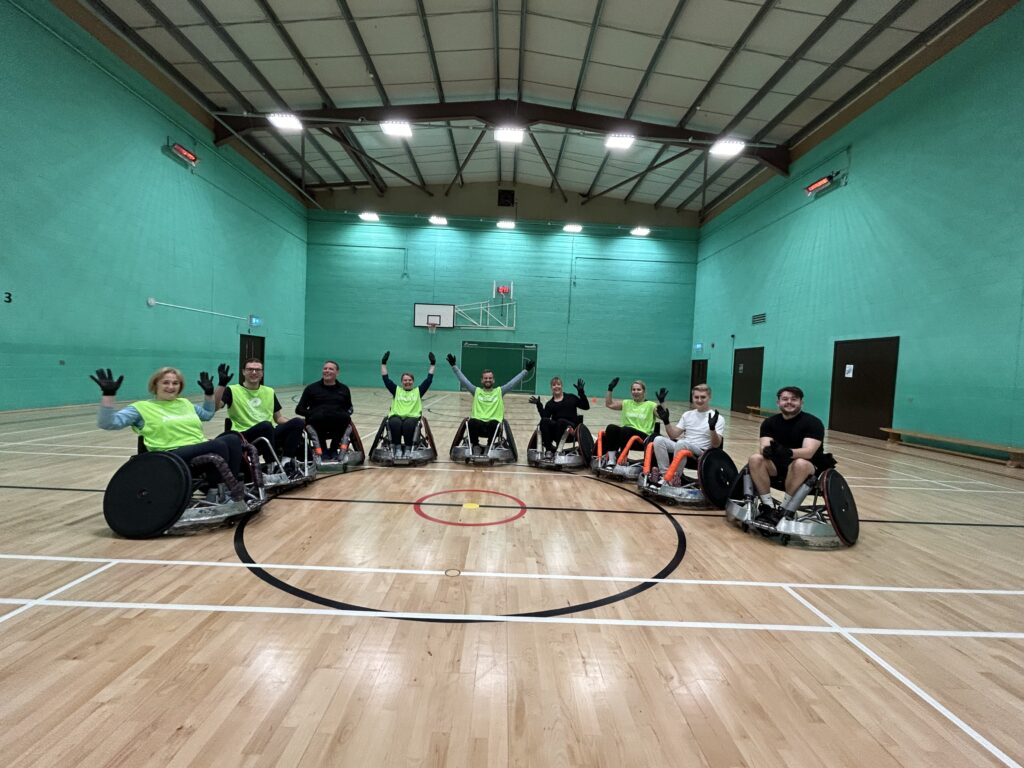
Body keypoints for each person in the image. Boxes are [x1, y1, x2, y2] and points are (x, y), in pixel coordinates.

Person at [93, 366, 243, 480]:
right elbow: (108, 423)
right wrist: (108, 395)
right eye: (165, 382)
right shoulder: (141, 408)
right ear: (155, 385)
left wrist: (209, 394)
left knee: (233, 438)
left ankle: (231, 484)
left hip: (195, 448)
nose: (171, 387)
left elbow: (208, 414)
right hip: (168, 455)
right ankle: (217, 490)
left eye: (175, 383)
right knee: (217, 445)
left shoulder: (185, 403)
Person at [747, 385, 830, 525]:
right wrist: (767, 450)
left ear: (801, 402)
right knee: (755, 459)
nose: (789, 402)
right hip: (778, 467)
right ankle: (768, 507)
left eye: (794, 399)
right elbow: (765, 445)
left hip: (807, 469)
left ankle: (784, 509)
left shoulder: (813, 423)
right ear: (778, 402)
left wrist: (787, 452)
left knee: (800, 463)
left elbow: (809, 452)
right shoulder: (769, 423)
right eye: (785, 399)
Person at [213, 359, 306, 468]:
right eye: (250, 369)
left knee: (297, 422)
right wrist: (221, 385)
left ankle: (286, 461)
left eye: (257, 370)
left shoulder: (269, 391)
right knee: (265, 425)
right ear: (243, 372)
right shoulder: (232, 390)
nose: (254, 372)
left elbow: (279, 418)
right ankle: (273, 465)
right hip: (245, 435)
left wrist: (299, 424)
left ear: (262, 373)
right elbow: (215, 406)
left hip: (269, 432)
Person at [447, 353, 534, 454]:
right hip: (478, 424)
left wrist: (526, 370)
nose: (488, 380)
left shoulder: (499, 391)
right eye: (485, 378)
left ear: (493, 380)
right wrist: (454, 366)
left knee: (494, 423)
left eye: (490, 378)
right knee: (471, 422)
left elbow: (513, 382)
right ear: (482, 380)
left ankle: (489, 446)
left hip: (493, 426)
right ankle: (475, 446)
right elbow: (464, 381)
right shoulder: (476, 391)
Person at [650, 383, 724, 485]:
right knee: (658, 440)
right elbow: (673, 435)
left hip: (701, 452)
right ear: (692, 397)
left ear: (709, 397)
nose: (699, 400)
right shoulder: (687, 414)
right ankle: (665, 475)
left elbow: (716, 444)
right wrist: (666, 421)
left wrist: (712, 428)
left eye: (703, 397)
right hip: (684, 447)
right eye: (696, 397)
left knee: (681, 444)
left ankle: (675, 477)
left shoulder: (718, 418)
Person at [295, 360, 353, 460]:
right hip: (318, 422)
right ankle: (323, 450)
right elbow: (299, 409)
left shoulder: (344, 389)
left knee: (344, 418)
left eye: (331, 369)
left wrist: (343, 413)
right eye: (325, 368)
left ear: (337, 372)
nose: (327, 371)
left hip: (337, 423)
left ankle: (334, 449)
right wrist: (313, 413)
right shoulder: (311, 388)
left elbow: (349, 407)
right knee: (319, 417)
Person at [380, 350, 435, 456]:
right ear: (402, 382)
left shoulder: (418, 391)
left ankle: (409, 448)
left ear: (413, 382)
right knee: (395, 422)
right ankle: (398, 448)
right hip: (396, 416)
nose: (407, 382)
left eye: (409, 380)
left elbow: (428, 380)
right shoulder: (397, 390)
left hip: (412, 417)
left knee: (408, 424)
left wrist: (432, 364)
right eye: (405, 380)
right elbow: (386, 379)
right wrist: (383, 363)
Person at [601, 378, 664, 465]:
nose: (636, 391)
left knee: (626, 429)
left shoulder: (651, 405)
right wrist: (610, 389)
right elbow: (609, 404)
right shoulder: (626, 403)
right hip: (625, 435)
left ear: (644, 392)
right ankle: (612, 460)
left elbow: (663, 416)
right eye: (633, 389)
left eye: (638, 389)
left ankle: (622, 459)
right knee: (611, 428)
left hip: (642, 439)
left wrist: (662, 403)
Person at [529, 376, 589, 459]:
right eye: (554, 385)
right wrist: (539, 405)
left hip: (571, 431)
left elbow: (586, 406)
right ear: (551, 388)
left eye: (558, 384)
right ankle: (549, 451)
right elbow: (544, 418)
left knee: (561, 421)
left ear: (561, 386)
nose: (556, 386)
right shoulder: (550, 404)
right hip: (556, 431)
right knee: (545, 421)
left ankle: (558, 451)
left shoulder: (571, 397)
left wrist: (581, 393)